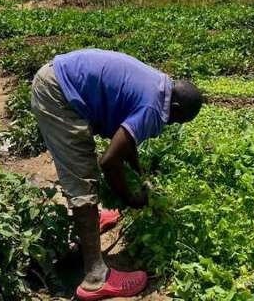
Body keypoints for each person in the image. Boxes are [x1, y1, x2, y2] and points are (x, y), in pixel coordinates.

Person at [31, 49, 203, 300]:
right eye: (176, 120)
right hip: (58, 94)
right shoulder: (155, 108)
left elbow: (126, 135)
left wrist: (136, 168)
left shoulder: (158, 85)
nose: (171, 124)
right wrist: (129, 198)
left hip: (60, 79)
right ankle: (95, 278)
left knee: (85, 168)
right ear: (175, 107)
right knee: (82, 179)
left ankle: (94, 219)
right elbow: (109, 161)